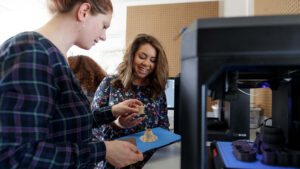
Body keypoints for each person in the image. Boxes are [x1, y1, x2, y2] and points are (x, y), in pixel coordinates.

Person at [0, 0, 144, 168]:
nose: (104, 36)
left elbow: (63, 125)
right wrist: (103, 150)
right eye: (104, 26)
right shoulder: (32, 52)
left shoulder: (53, 56)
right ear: (84, 11)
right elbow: (16, 156)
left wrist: (112, 112)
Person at [92, 34, 170, 169]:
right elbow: (92, 126)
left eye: (153, 60)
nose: (147, 64)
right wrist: (118, 125)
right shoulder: (110, 83)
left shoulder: (157, 90)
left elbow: (163, 127)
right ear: (131, 55)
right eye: (142, 56)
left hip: (148, 163)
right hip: (113, 163)